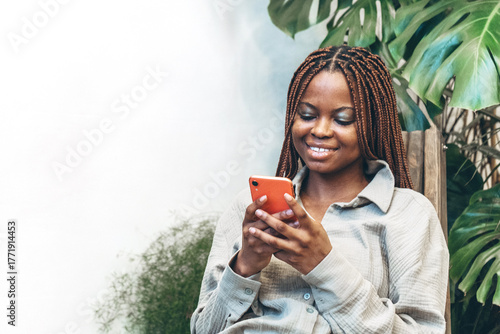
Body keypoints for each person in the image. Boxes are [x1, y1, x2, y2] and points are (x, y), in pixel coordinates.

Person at [190, 45, 449, 333]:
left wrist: (323, 265)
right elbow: (205, 329)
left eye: (342, 119)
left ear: (372, 124)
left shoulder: (409, 215)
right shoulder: (250, 209)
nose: (320, 130)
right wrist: (244, 266)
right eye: (308, 115)